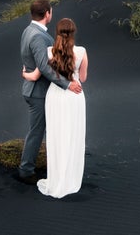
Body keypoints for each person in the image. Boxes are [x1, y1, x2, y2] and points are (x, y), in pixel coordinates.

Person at [22, 17, 88, 198]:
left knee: (55, 135)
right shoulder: (82, 51)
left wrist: (24, 74)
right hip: (75, 96)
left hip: (55, 97)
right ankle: (70, 177)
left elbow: (35, 75)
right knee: (73, 134)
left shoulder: (49, 51)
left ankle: (56, 177)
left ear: (57, 33)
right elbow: (83, 78)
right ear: (73, 33)